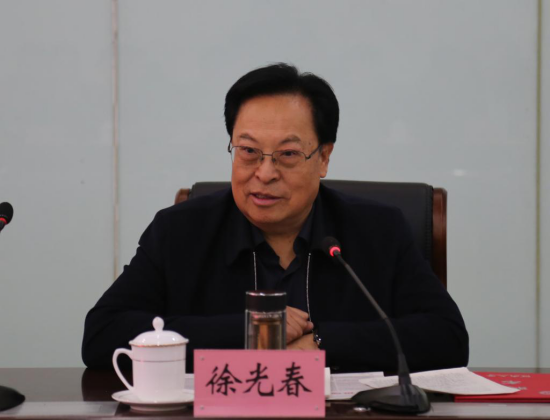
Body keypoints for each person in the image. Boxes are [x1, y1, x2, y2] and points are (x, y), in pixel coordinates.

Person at [82, 63, 468, 373]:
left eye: (287, 154)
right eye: (248, 151)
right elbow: (102, 335)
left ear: (324, 158)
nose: (264, 173)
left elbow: (448, 338)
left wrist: (322, 344)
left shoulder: (378, 231)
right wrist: (255, 331)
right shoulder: (180, 231)